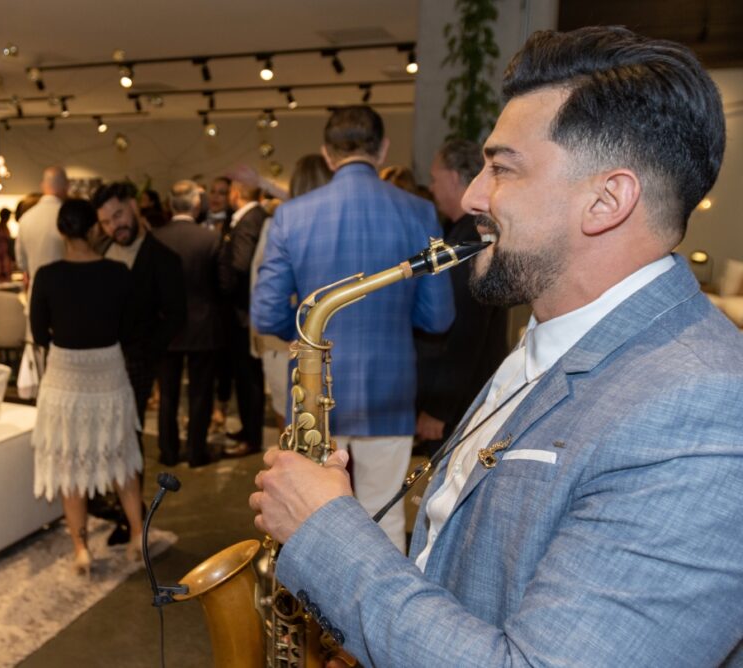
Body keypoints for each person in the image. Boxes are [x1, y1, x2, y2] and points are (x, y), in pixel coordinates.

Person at [250, 26, 743, 667]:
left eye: (502, 168)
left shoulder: (707, 414)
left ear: (607, 199)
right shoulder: (552, 334)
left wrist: (326, 533)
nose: (475, 196)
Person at [252, 106, 455, 551]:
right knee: (382, 518)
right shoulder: (419, 211)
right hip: (391, 389)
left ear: (327, 154)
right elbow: (438, 318)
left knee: (309, 521)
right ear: (382, 149)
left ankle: (313, 618)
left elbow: (265, 314)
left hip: (312, 401)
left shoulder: (292, 215)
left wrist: (307, 334)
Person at [30, 199, 143, 574]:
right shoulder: (118, 272)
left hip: (65, 377)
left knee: (69, 464)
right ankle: (137, 539)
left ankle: (81, 549)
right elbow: (130, 329)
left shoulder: (46, 276)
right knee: (123, 458)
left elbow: (38, 333)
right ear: (94, 227)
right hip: (109, 371)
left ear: (62, 230)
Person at [92, 181, 185, 544]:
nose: (114, 226)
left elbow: (176, 315)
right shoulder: (100, 254)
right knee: (104, 433)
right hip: (97, 361)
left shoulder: (163, 258)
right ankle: (120, 508)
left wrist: (148, 351)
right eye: (105, 222)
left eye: (118, 215)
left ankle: (132, 515)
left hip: (136, 361)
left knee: (127, 435)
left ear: (133, 206)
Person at [415, 139, 510, 444]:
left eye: (434, 178)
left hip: (460, 400)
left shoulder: (468, 241)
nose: (431, 187)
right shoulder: (463, 233)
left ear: (454, 177)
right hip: (466, 394)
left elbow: (465, 330)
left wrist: (438, 408)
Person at [250, 155, 333, 431]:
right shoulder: (337, 226)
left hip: (286, 344)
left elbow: (263, 294)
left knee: (294, 427)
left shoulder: (279, 225)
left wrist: (299, 328)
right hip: (335, 345)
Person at [152, 180, 221, 467]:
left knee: (167, 393)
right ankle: (196, 452)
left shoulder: (155, 236)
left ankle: (168, 452)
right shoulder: (209, 238)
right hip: (202, 323)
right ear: (195, 204)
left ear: (171, 205)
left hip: (165, 325)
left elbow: (148, 286)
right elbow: (220, 284)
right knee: (200, 392)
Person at [218, 181, 269, 458]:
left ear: (235, 193)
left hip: (242, 311)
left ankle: (252, 436)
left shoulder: (249, 220)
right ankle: (249, 428)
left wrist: (223, 281)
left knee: (249, 378)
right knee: (246, 377)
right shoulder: (255, 216)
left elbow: (241, 262)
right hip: (243, 311)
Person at [16, 166, 67, 296]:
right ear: (66, 186)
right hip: (65, 292)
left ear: (43, 185)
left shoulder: (26, 218)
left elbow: (21, 262)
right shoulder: (67, 216)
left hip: (36, 293)